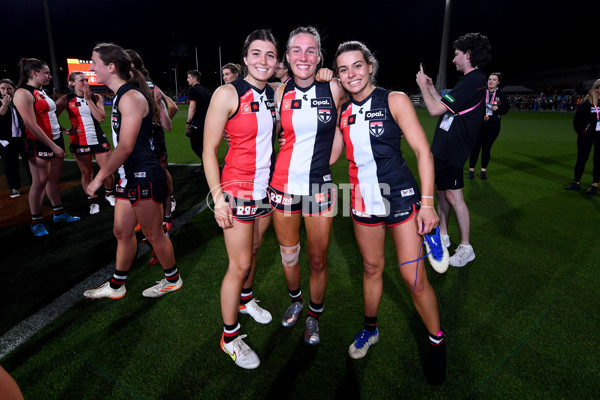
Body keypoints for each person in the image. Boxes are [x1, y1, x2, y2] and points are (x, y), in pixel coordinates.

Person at [332, 40, 446, 384]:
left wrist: (428, 205)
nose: (351, 73)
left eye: (357, 65)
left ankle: (437, 342)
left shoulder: (393, 100)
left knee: (414, 280)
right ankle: (371, 329)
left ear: (369, 66)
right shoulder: (341, 112)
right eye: (343, 69)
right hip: (363, 201)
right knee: (371, 268)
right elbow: (330, 157)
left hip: (401, 198)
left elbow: (423, 152)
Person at [82, 43, 182, 299]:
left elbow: (125, 147)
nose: (91, 67)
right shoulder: (121, 95)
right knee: (122, 232)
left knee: (153, 233)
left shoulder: (131, 97)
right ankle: (117, 286)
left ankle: (173, 279)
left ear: (111, 67)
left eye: (94, 62)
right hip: (129, 177)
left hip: (143, 175)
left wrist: (99, 179)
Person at [204, 29, 278, 370]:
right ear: (246, 58)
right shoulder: (227, 93)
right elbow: (208, 151)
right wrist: (218, 200)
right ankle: (228, 337)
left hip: (265, 187)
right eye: (257, 54)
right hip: (237, 187)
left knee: (256, 247)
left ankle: (246, 302)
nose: (264, 61)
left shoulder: (274, 94)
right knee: (240, 264)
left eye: (270, 55)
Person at [270, 26, 347, 346]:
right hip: (282, 186)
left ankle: (314, 316)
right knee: (289, 256)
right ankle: (296, 300)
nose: (304, 56)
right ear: (287, 57)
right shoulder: (278, 92)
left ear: (319, 57)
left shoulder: (335, 88)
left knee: (317, 258)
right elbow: (269, 132)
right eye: (297, 50)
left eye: (311, 50)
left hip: (319, 188)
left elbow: (350, 115)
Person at [416, 32, 491, 268]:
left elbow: (435, 110)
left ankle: (466, 247)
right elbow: (447, 106)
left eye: (457, 54)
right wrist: (430, 87)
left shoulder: (473, 80)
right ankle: (445, 235)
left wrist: (422, 87)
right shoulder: (470, 81)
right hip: (445, 146)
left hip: (454, 149)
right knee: (441, 191)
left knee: (453, 195)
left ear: (468, 55)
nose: (453, 59)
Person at [13, 58, 80, 237]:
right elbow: (30, 124)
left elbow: (50, 117)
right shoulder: (23, 92)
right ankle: (36, 221)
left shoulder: (42, 91)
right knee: (40, 181)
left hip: (55, 139)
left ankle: (58, 213)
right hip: (38, 142)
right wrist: (51, 145)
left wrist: (65, 131)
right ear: (34, 73)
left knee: (53, 180)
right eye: (47, 73)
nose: (50, 76)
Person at [126, 49, 178, 241]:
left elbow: (171, 109)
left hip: (149, 144)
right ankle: (157, 219)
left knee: (155, 181)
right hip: (144, 143)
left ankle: (162, 221)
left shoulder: (144, 86)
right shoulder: (132, 86)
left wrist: (155, 122)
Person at [55, 71, 115, 215]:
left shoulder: (96, 97)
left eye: (86, 80)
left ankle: (109, 194)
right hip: (79, 141)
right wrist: (65, 130)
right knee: (87, 173)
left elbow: (101, 118)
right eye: (81, 80)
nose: (86, 83)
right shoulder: (65, 100)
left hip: (99, 139)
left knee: (107, 170)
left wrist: (88, 100)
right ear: (72, 83)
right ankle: (92, 201)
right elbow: (50, 118)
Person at [468, 72, 509, 180]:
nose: (491, 81)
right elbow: (471, 106)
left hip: (493, 125)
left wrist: (498, 109)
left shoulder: (501, 95)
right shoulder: (480, 93)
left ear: (498, 82)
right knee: (475, 148)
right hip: (479, 123)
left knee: (486, 148)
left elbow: (505, 110)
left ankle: (483, 171)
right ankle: (471, 170)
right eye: (490, 79)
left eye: (494, 79)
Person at [565, 79, 600, 195]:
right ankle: (576, 183)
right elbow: (577, 120)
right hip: (587, 136)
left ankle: (594, 185)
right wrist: (583, 132)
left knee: (598, 161)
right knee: (582, 159)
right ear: (595, 88)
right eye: (598, 88)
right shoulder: (587, 103)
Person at [0, 78, 31, 198]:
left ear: (14, 89)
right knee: (10, 164)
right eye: (3, 88)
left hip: (23, 138)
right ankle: (14, 187)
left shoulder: (19, 101)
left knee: (30, 163)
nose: (6, 91)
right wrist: (4, 106)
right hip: (6, 140)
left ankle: (35, 183)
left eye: (9, 88)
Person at [186, 70, 210, 163]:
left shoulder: (193, 89)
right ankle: (204, 167)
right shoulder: (205, 90)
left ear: (194, 78)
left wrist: (188, 123)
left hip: (198, 123)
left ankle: (207, 164)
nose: (187, 79)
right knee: (203, 146)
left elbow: (192, 107)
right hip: (207, 123)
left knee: (195, 146)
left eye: (189, 77)